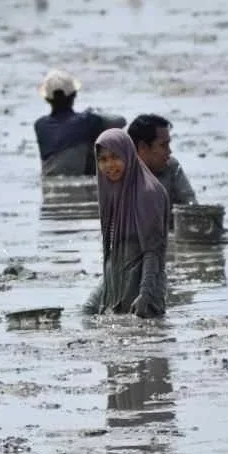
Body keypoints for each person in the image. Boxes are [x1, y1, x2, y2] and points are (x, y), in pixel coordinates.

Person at [82, 129, 169, 318]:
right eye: (103, 159)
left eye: (115, 157)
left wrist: (145, 295)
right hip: (116, 281)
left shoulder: (147, 193)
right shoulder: (113, 191)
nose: (109, 165)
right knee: (86, 312)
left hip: (142, 293)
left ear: (128, 155)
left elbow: (152, 252)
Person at [34, 69, 126, 178]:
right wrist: (95, 114)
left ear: (47, 99)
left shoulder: (40, 125)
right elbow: (120, 121)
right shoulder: (87, 121)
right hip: (80, 183)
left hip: (49, 182)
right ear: (74, 95)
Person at [127, 114, 197, 208]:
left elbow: (190, 203)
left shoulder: (171, 167)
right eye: (163, 145)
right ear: (142, 147)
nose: (169, 151)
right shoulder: (115, 173)